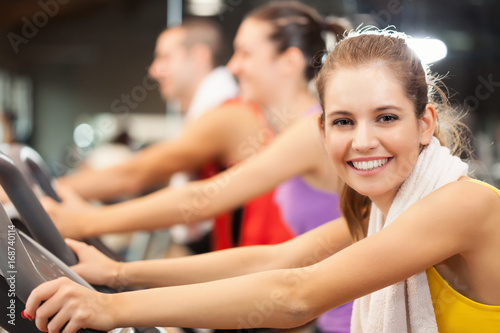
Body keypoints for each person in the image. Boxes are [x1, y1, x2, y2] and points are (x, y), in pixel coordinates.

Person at [25, 28, 500, 333]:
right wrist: (117, 275)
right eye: (343, 122)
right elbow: (275, 260)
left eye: (387, 117)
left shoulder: (462, 206)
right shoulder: (379, 211)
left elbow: (297, 294)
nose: (363, 141)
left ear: (424, 124)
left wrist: (111, 310)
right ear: (322, 129)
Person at [41, 2, 353, 331]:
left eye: (245, 54)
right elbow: (274, 259)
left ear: (289, 62)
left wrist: (87, 222)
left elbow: (202, 197)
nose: (233, 66)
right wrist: (115, 271)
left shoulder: (312, 130)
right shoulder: (284, 130)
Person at [52, 18, 294, 252]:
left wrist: (52, 191)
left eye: (165, 57)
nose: (155, 70)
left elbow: (137, 173)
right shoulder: (218, 112)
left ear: (200, 57)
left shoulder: (229, 115)